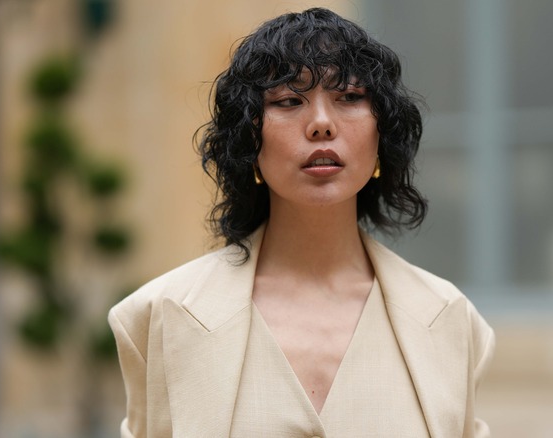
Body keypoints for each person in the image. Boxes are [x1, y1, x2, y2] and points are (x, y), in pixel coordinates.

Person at [109, 7, 494, 438]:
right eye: (288, 101)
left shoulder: (450, 320)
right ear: (249, 139)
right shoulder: (160, 316)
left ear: (381, 131)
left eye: (349, 97)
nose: (322, 125)